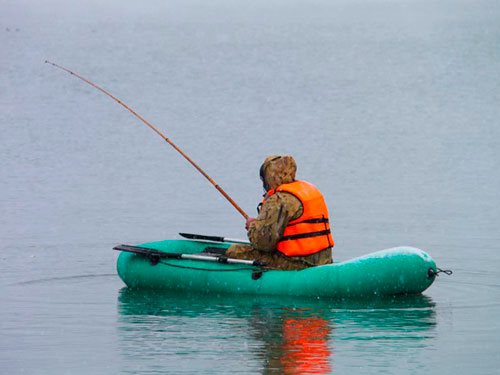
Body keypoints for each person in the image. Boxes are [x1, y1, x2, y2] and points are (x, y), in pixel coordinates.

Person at [226, 155, 334, 270]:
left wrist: (252, 226)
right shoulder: (310, 190)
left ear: (270, 176)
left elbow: (263, 243)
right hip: (324, 260)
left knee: (234, 251)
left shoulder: (279, 200)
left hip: (295, 263)